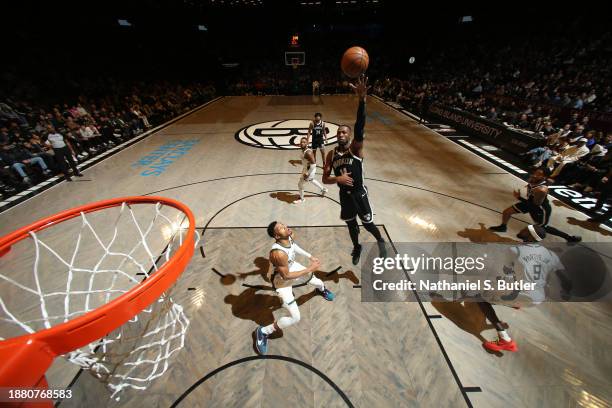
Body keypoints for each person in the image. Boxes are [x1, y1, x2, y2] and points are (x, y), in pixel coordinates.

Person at [322, 76, 387, 264]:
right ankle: (357, 247)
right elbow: (326, 179)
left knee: (368, 224)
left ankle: (381, 241)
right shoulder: (331, 154)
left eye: (344, 132)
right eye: (339, 132)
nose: (341, 134)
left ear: (349, 136)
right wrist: (338, 180)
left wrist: (361, 100)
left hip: (359, 193)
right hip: (344, 195)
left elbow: (360, 125)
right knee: (351, 225)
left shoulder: (355, 149)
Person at [480, 224, 563, 352]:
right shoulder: (550, 254)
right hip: (538, 297)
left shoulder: (515, 250)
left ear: (530, 235)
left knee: (479, 296)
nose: (521, 229)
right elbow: (562, 276)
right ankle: (513, 302)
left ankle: (505, 339)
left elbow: (503, 272)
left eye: (525, 229)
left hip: (522, 293)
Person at [254, 221, 334, 355]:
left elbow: (294, 246)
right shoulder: (278, 253)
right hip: (281, 281)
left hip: (291, 267)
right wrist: (310, 268)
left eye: (283, 225)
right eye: (281, 228)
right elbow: (285, 276)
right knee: (295, 318)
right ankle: (263, 332)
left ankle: (321, 290)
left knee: (317, 281)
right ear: (277, 236)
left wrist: (310, 256)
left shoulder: (289, 236)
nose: (286, 227)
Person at [489, 168, 581, 242]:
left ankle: (569, 237)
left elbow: (535, 205)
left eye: (539, 174)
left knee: (541, 228)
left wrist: (519, 198)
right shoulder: (533, 180)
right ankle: (503, 227)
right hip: (530, 203)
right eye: (535, 172)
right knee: (507, 212)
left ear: (544, 177)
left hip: (540, 210)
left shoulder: (541, 190)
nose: (535, 175)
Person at [294, 137, 328, 204]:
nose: (302, 143)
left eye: (304, 142)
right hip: (306, 168)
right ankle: (324, 189)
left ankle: (302, 199)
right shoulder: (303, 151)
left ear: (307, 143)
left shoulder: (308, 152)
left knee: (300, 184)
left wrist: (307, 173)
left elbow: (313, 164)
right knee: (311, 180)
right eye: (301, 142)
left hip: (310, 170)